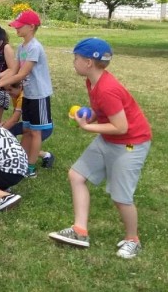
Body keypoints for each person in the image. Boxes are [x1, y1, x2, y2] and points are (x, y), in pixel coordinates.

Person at [49, 38, 152, 259]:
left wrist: (88, 127)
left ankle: (133, 239)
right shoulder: (92, 81)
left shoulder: (107, 89)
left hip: (131, 143)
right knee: (76, 175)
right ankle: (79, 230)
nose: (73, 62)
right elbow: (102, 111)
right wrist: (90, 114)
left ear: (88, 62)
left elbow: (121, 126)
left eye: (75, 58)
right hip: (109, 139)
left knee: (121, 196)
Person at [0, 10, 53, 178]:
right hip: (28, 95)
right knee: (27, 129)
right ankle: (23, 161)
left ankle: (30, 168)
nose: (16, 29)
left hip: (38, 95)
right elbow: (14, 70)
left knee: (36, 132)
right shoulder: (21, 47)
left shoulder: (35, 47)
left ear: (31, 27)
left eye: (19, 26)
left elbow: (23, 74)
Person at [1, 81, 54, 168]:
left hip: (43, 129)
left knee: (24, 152)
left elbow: (14, 119)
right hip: (29, 126)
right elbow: (14, 117)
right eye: (6, 90)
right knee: (10, 131)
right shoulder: (16, 95)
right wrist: (5, 124)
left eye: (10, 89)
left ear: (20, 86)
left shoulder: (22, 97)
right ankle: (13, 153)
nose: (8, 93)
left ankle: (46, 155)